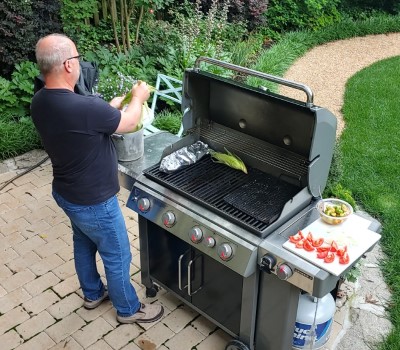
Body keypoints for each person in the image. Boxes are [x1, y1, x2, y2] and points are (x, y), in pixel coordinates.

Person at [31, 33, 164, 324]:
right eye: (77, 59)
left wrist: (110, 107)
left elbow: (83, 124)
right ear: (68, 65)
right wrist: (138, 98)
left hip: (67, 194)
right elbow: (128, 124)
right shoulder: (85, 108)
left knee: (83, 242)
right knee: (117, 255)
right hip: (94, 201)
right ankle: (128, 309)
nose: (80, 64)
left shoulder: (40, 101)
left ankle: (92, 293)